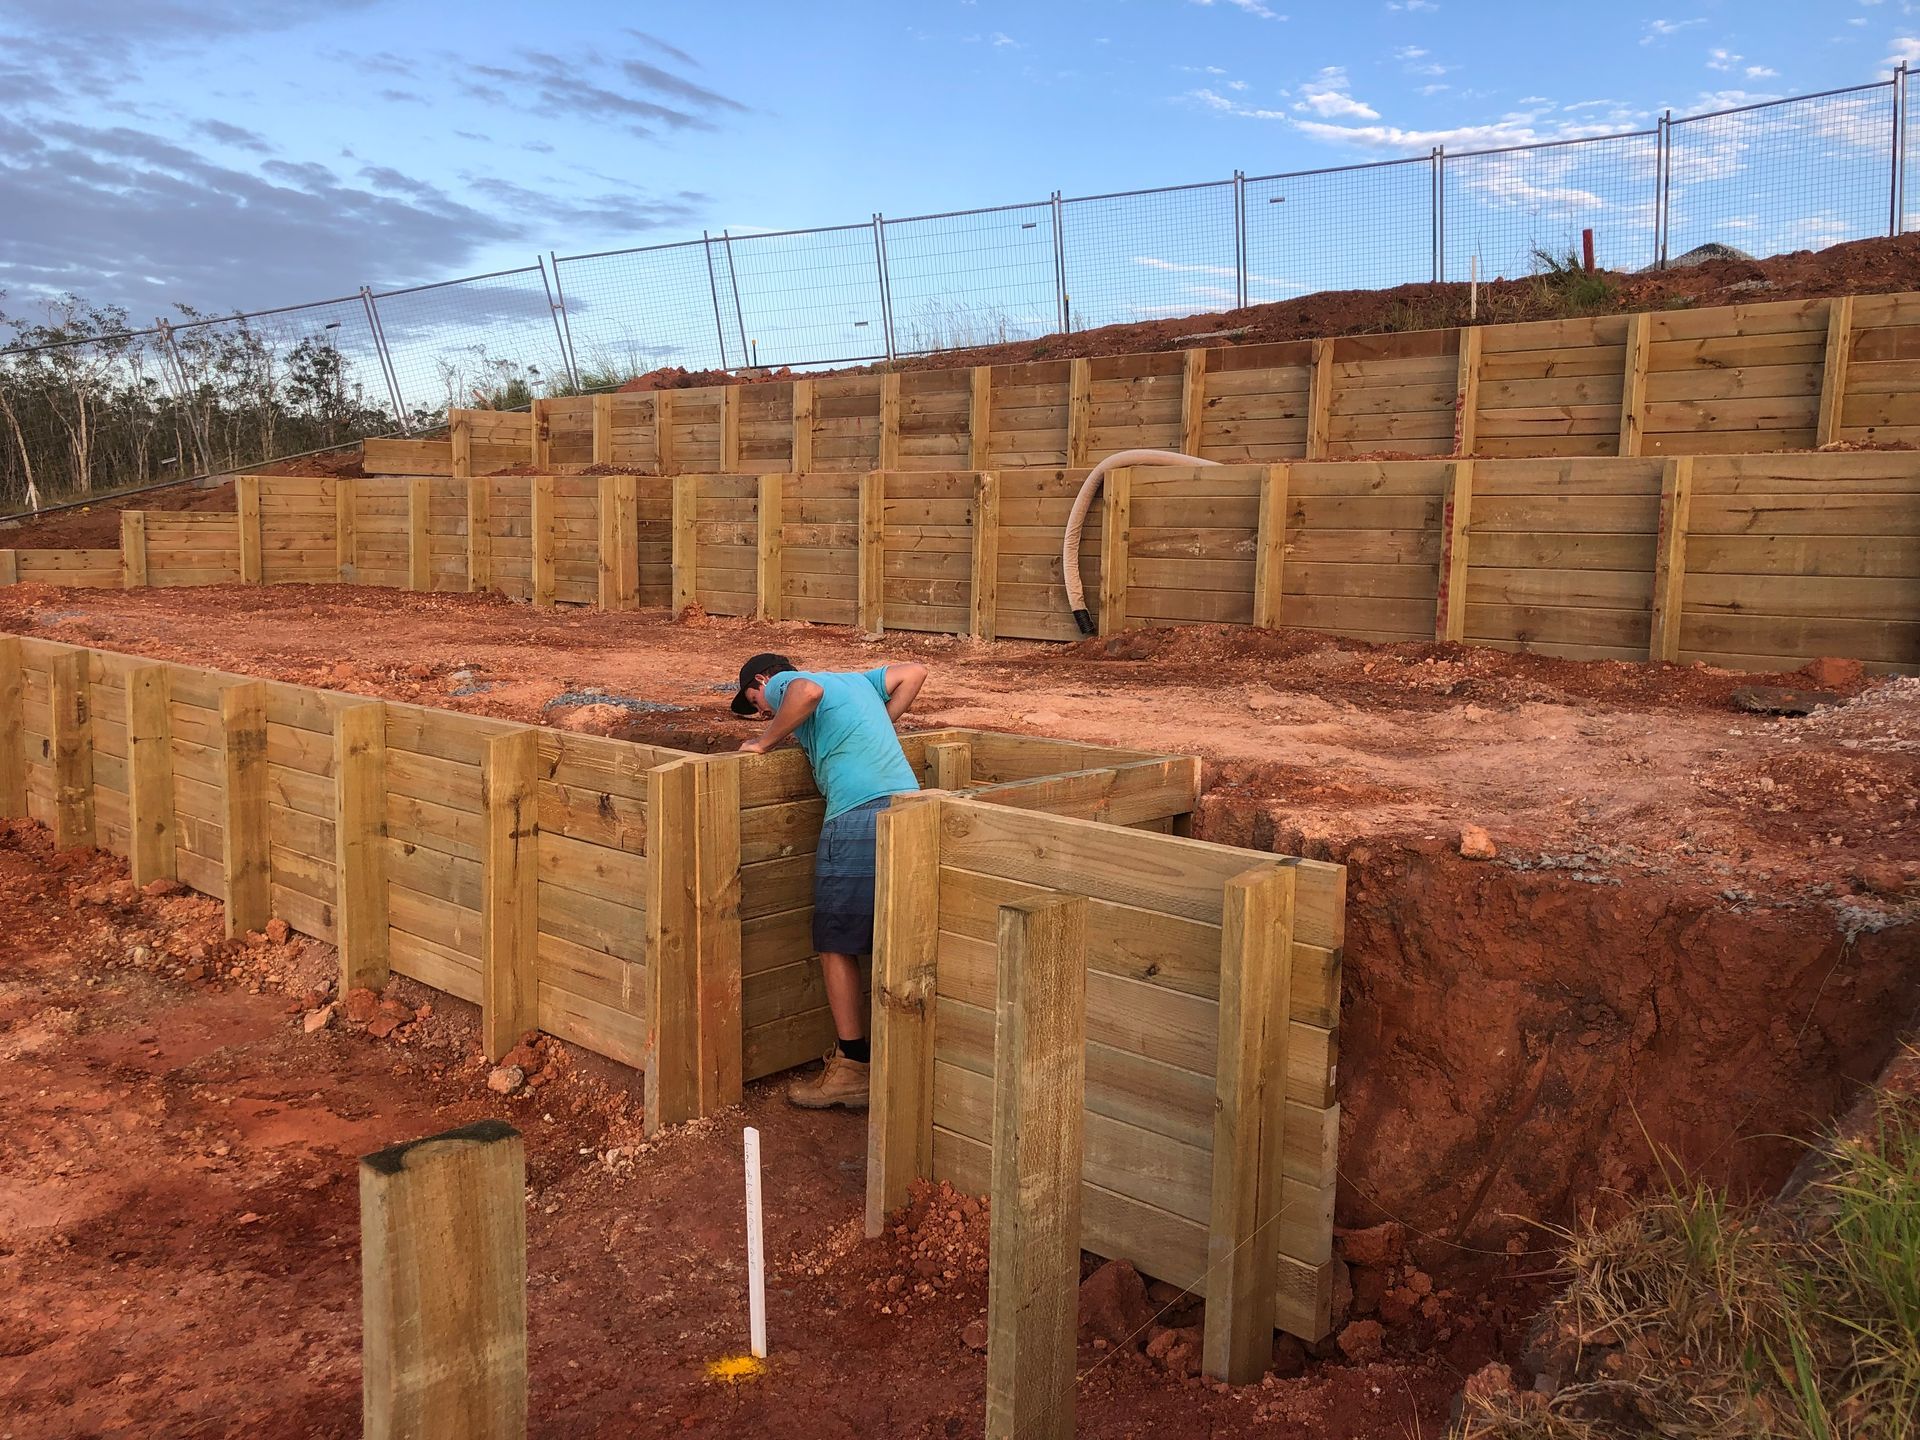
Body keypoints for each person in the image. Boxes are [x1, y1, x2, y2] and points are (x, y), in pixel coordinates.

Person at [731, 651, 928, 1110]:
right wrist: (880, 723)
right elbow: (915, 672)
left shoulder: (790, 682)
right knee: (891, 936)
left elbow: (806, 693)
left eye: (755, 699)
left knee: (835, 940)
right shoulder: (857, 680)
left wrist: (764, 742)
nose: (763, 709)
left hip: (857, 813)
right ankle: (894, 1062)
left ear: (763, 679)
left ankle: (852, 1067)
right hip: (908, 806)